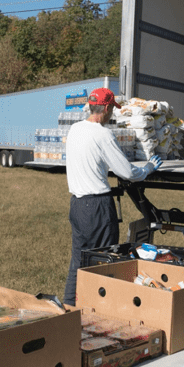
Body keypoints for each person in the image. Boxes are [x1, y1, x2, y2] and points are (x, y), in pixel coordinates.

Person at [63, 87, 162, 306]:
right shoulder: (103, 134)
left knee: (78, 261)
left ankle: (68, 306)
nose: (112, 114)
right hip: (97, 207)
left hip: (77, 205)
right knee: (105, 261)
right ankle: (100, 308)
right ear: (106, 108)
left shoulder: (75, 129)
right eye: (112, 110)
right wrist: (147, 168)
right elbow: (126, 172)